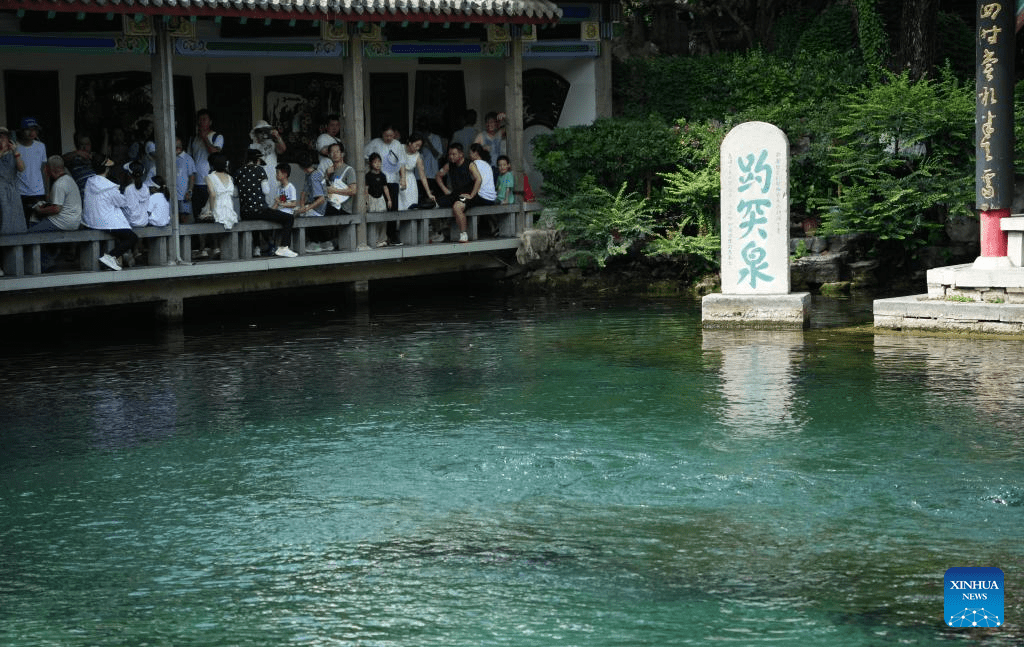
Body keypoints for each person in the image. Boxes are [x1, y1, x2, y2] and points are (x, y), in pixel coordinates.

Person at [235, 149, 297, 257]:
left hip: (245, 212)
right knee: (289, 219)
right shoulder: (259, 170)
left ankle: (257, 248)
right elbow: (266, 191)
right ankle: (284, 247)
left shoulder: (239, 171)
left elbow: (235, 193)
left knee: (254, 221)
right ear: (257, 160)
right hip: (259, 209)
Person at [83, 155, 137, 271]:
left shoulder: (89, 181)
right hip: (106, 222)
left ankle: (115, 259)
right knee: (132, 238)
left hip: (91, 221)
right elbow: (122, 202)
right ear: (107, 168)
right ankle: (111, 256)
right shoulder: (110, 187)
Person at [363, 124, 404, 243]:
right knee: (381, 208)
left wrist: (403, 178)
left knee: (393, 207)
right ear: (382, 134)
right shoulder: (375, 143)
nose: (389, 138)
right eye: (386, 135)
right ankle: (379, 236)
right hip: (379, 180)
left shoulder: (397, 144)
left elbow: (402, 162)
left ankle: (392, 235)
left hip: (393, 180)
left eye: (391, 135)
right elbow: (365, 155)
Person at [188, 108, 223, 217]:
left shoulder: (217, 137)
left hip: (210, 182)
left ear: (210, 122)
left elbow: (214, 152)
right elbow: (189, 159)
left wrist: (205, 138)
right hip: (195, 182)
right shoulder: (193, 138)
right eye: (199, 120)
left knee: (210, 214)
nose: (201, 122)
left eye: (204, 119)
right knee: (197, 213)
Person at [296, 151, 332, 253]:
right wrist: (302, 205)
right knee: (301, 212)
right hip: (315, 205)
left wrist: (306, 208)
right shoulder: (311, 174)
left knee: (305, 216)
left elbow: (321, 199)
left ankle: (315, 243)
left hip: (321, 207)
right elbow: (304, 192)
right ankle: (314, 242)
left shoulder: (314, 176)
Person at [16, 117, 47, 226]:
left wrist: (47, 191)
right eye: (28, 129)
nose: (32, 132)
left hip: (39, 191)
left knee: (38, 223)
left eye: (35, 129)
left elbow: (44, 170)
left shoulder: (41, 146)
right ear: (21, 131)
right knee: (22, 222)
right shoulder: (15, 147)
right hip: (21, 191)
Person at [0, 126, 27, 235]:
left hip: (12, 189)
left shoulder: (13, 153)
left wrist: (15, 152)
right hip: (1, 188)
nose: (2, 140)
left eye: (3, 138)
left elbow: (21, 168)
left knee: (15, 215)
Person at [398, 133, 435, 211]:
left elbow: (422, 176)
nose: (417, 148)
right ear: (410, 143)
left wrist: (429, 193)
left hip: (410, 182)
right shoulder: (400, 148)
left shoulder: (417, 156)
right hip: (398, 178)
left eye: (419, 146)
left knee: (411, 205)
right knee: (399, 206)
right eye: (416, 145)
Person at [248, 120, 286, 193]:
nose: (262, 133)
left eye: (265, 130)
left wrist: (277, 137)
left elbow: (282, 149)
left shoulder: (272, 143)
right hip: (258, 179)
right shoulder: (252, 147)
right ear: (256, 132)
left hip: (273, 178)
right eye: (260, 131)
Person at [365, 152, 391, 247]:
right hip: (372, 198)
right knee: (373, 219)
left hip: (381, 198)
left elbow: (385, 188)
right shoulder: (368, 176)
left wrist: (389, 200)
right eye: (375, 162)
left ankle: (382, 239)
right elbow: (366, 189)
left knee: (383, 219)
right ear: (371, 163)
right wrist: (366, 201)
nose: (377, 164)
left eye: (379, 162)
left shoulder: (383, 176)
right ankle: (373, 239)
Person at [324, 142, 357, 215]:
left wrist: (335, 190)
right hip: (331, 205)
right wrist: (327, 175)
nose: (335, 154)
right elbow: (324, 189)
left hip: (343, 209)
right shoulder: (329, 170)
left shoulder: (349, 170)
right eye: (332, 152)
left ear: (342, 154)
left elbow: (353, 191)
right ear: (329, 155)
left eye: (337, 151)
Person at [473, 111, 506, 177]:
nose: (489, 124)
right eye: (487, 122)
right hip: (487, 170)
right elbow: (473, 151)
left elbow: (512, 129)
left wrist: (505, 118)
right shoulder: (481, 136)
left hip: (501, 168)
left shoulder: (500, 133)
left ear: (497, 123)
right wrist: (481, 150)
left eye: (491, 122)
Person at [63, 132, 95, 197]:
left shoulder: (95, 157)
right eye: (82, 144)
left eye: (87, 144)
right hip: (84, 196)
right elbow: (59, 160)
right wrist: (77, 153)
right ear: (77, 145)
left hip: (98, 195)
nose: (85, 147)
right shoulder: (74, 159)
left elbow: (110, 162)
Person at [174, 136, 197, 223]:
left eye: (178, 145)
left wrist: (190, 190)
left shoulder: (188, 159)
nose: (177, 147)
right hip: (172, 195)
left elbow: (192, 176)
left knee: (185, 219)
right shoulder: (171, 158)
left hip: (184, 195)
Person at [122, 161, 151, 228]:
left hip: (132, 222)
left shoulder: (128, 189)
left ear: (129, 174)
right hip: (144, 221)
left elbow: (128, 208)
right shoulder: (146, 187)